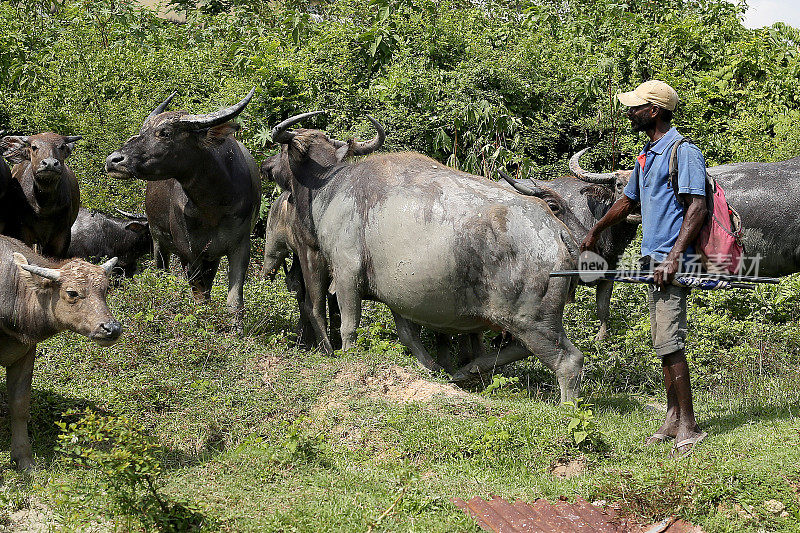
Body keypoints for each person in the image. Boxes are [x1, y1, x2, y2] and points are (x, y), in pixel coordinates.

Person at [581, 80, 708, 456]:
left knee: (670, 342)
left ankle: (688, 425)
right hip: (653, 259)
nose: (628, 111)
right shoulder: (649, 153)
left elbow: (697, 208)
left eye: (635, 106)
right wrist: (596, 229)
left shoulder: (683, 152)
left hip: (672, 260)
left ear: (653, 111)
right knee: (661, 343)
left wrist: (673, 257)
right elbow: (627, 201)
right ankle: (671, 419)